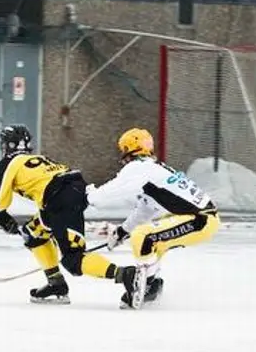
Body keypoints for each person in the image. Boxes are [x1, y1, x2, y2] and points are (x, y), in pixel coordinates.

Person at [0, 124, 142, 306]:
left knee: (73, 260)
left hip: (59, 198)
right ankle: (56, 283)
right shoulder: (38, 158)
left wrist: (6, 222)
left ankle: (126, 275)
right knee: (33, 234)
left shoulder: (7, 163)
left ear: (6, 145)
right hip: (70, 190)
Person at [86, 128, 221, 308]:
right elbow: (146, 208)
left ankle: (147, 285)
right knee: (151, 241)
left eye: (123, 149)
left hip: (199, 220)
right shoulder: (153, 168)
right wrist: (122, 231)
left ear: (128, 148)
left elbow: (111, 191)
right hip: (203, 219)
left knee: (144, 237)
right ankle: (152, 285)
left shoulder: (139, 167)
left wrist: (89, 195)